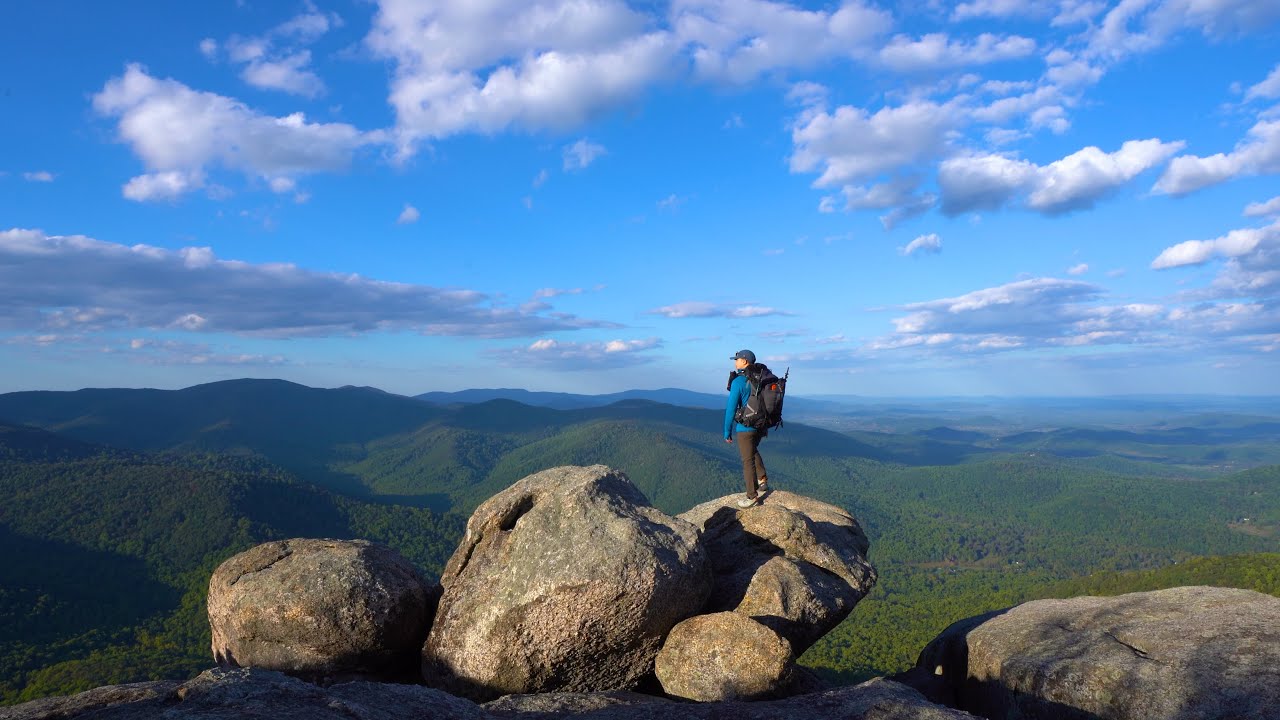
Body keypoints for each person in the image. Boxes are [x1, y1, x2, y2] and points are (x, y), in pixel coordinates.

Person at [724, 349, 769, 508]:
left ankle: (752, 496)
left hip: (745, 427)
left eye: (737, 359)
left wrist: (727, 431)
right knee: (752, 450)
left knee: (747, 461)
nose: (735, 362)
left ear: (745, 361)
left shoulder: (738, 381)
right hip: (760, 424)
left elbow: (730, 409)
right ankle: (762, 479)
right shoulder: (761, 378)